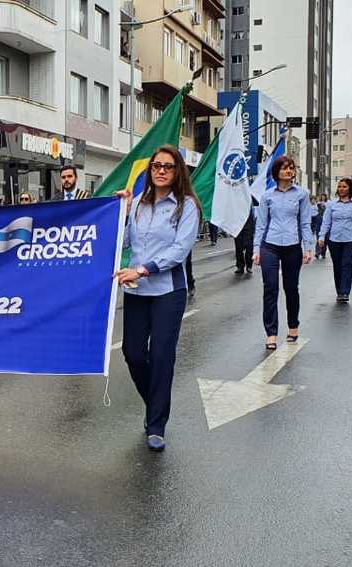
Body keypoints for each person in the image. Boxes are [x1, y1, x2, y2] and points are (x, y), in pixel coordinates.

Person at [112, 145, 198, 452]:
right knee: (134, 354)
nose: (161, 171)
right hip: (137, 291)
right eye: (156, 166)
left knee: (161, 356)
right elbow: (121, 242)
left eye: (168, 166)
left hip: (168, 291)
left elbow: (180, 250)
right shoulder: (137, 203)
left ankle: (157, 423)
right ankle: (155, 404)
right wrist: (118, 216)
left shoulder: (186, 206)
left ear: (177, 173)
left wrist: (144, 269)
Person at [253, 156, 313, 350]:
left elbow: (305, 222)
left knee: (291, 287)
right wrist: (256, 250)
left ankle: (293, 326)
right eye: (285, 168)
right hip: (269, 245)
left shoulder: (302, 194)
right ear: (277, 171)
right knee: (270, 288)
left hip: (292, 246)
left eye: (291, 168)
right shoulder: (267, 196)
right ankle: (271, 333)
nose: (289, 171)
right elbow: (260, 225)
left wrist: (308, 248)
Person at [319, 179, 352, 302]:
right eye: (339, 186)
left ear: (350, 188)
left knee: (347, 264)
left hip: (351, 239)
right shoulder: (331, 205)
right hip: (334, 239)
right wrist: (321, 237)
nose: (341, 189)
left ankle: (345, 292)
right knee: (337, 266)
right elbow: (326, 222)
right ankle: (339, 291)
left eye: (344, 186)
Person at [234, 198, 256, 274]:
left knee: (249, 245)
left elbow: (257, 201)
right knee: (238, 246)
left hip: (249, 221)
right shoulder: (235, 193)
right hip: (237, 221)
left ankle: (249, 265)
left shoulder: (250, 192)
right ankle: (240, 266)